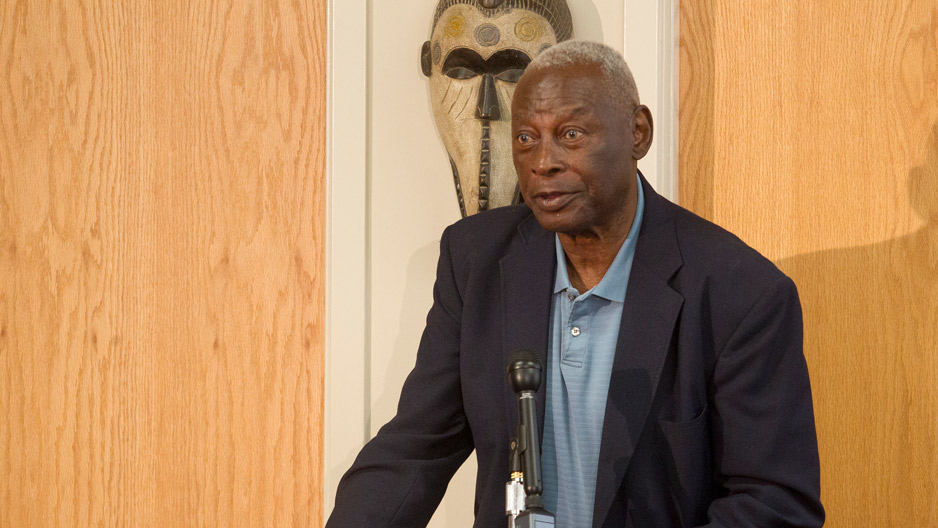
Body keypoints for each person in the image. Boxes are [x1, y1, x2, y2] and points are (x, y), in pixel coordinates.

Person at [327, 40, 824, 528]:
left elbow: (774, 503)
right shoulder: (476, 262)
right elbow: (416, 449)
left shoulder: (741, 291)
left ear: (637, 133)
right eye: (526, 138)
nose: (543, 162)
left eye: (570, 134)